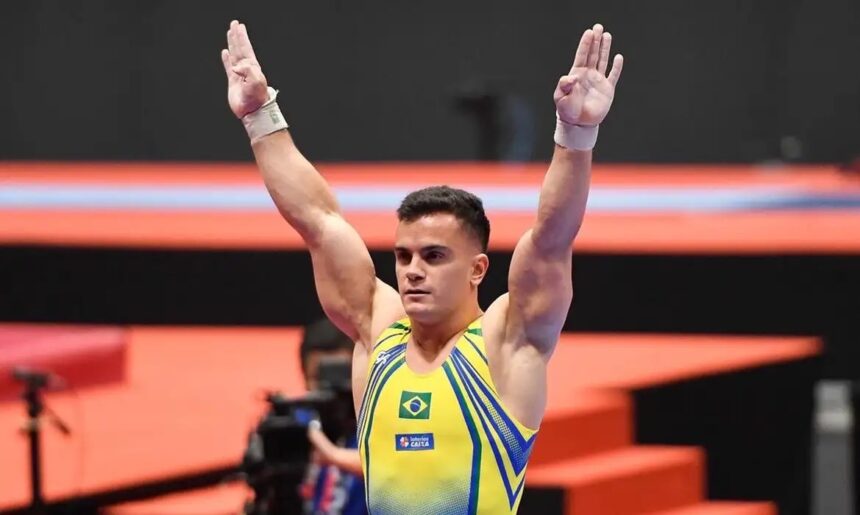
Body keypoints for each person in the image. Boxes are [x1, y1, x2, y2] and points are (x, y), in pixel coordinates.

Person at [221, 19, 623, 514]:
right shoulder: (378, 330)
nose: (412, 271)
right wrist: (260, 116)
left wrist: (576, 134)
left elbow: (552, 238)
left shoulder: (507, 342)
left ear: (477, 269)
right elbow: (318, 221)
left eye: (434, 256)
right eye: (403, 256)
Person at [299, 318, 366, 515]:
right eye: (319, 378)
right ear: (304, 376)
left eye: (340, 376)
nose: (330, 390)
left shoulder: (380, 427)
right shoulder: (292, 426)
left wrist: (334, 456)